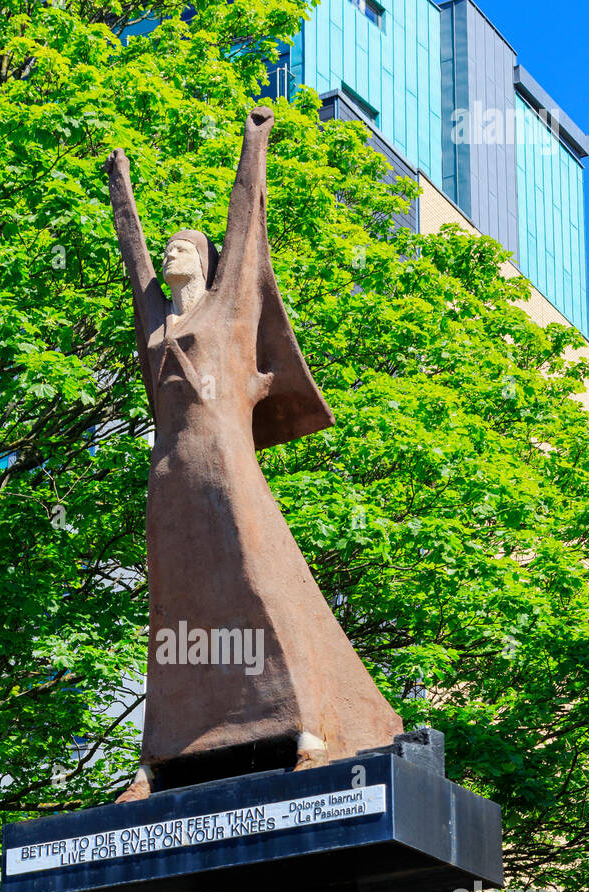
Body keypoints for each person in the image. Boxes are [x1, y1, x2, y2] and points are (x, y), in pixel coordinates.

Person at [106, 107, 401, 801]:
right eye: (170, 247)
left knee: (262, 588)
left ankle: (311, 733)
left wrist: (254, 140)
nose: (174, 253)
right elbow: (132, 255)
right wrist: (119, 183)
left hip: (229, 470)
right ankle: (156, 764)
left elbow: (245, 225)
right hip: (171, 479)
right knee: (175, 616)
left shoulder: (227, 309)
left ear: (207, 264)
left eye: (186, 246)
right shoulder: (158, 323)